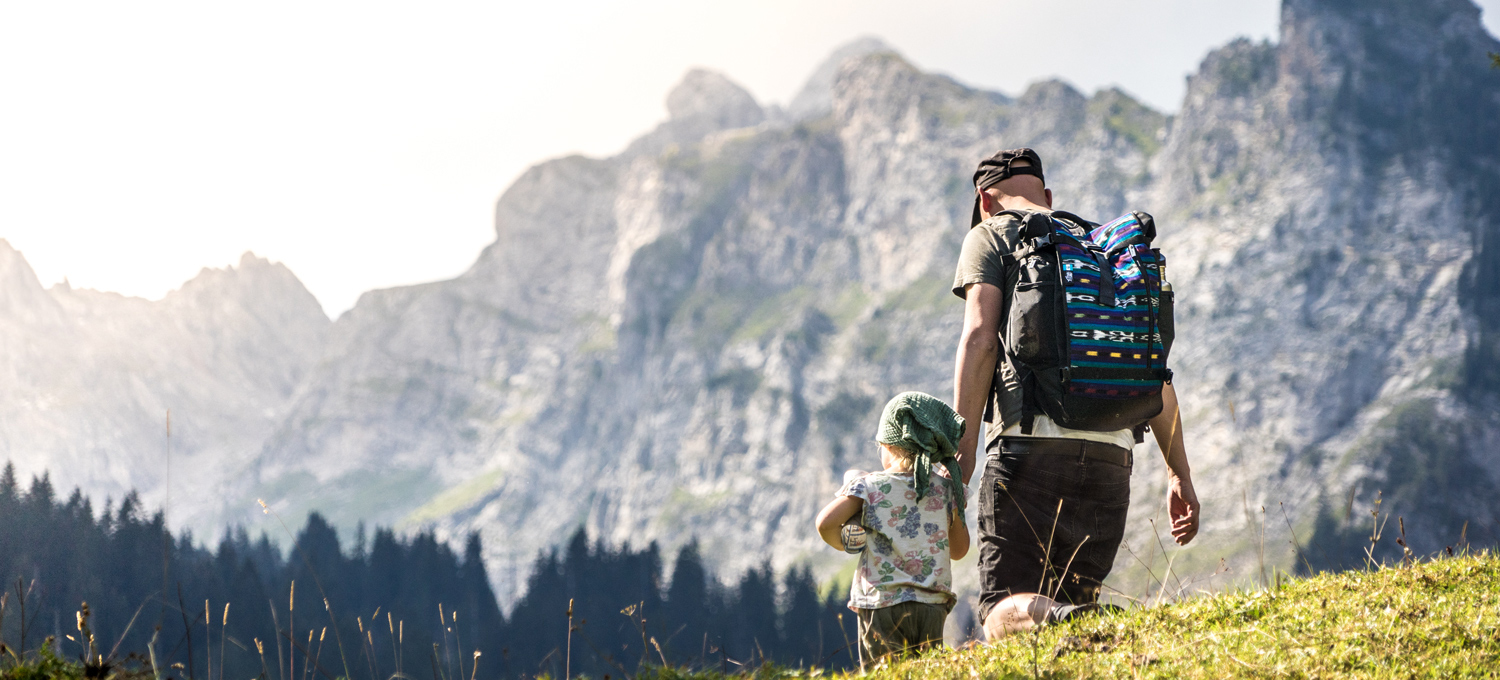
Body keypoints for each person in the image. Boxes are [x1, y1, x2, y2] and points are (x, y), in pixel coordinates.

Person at [950, 148, 1201, 640]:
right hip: (1114, 457)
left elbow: (980, 337)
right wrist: (1179, 475)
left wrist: (961, 456)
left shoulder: (992, 234)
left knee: (1002, 611)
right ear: (1047, 196)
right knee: (1073, 623)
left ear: (984, 200)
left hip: (1029, 448)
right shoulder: (1102, 248)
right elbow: (1154, 371)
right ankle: (1076, 617)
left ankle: (1069, 618)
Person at [814, 391, 971, 663]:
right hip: (931, 606)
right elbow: (959, 551)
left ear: (888, 445)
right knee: (926, 672)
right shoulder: (946, 491)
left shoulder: (870, 486)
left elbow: (825, 523)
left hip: (882, 605)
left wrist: (847, 542)